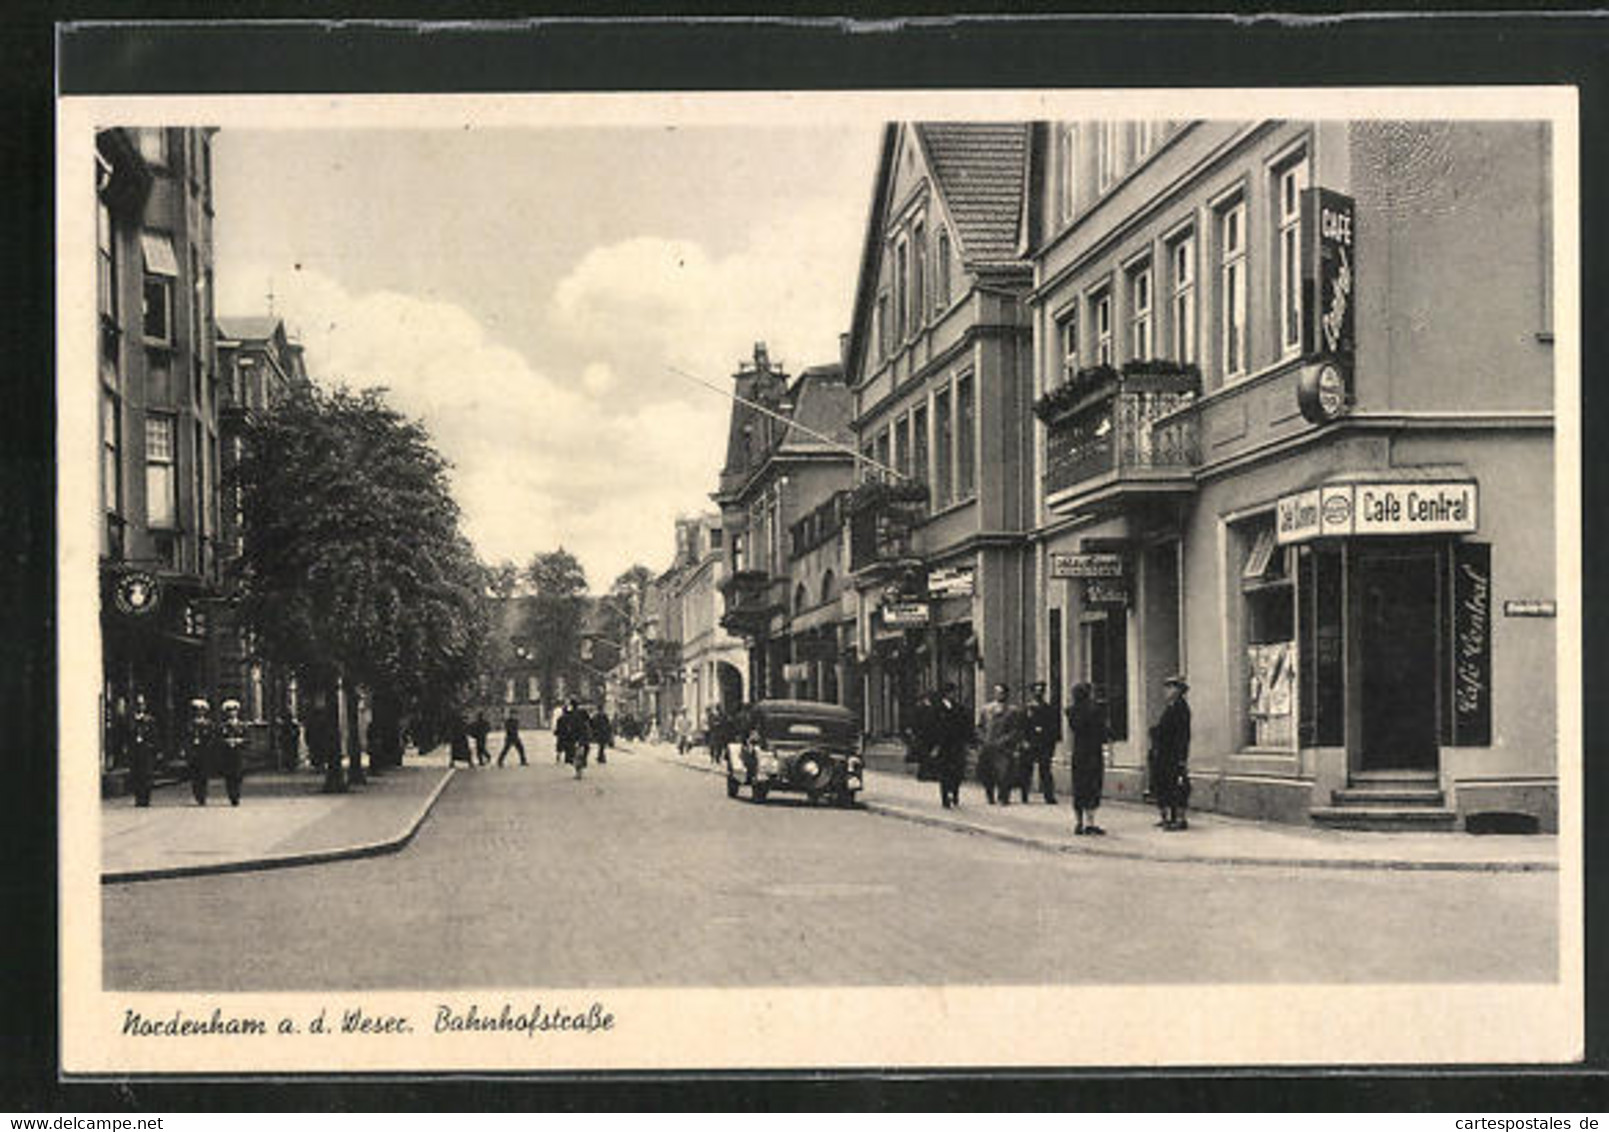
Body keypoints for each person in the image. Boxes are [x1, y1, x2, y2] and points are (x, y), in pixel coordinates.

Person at [1151, 675, 1193, 831]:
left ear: (1177, 690)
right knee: (1167, 785)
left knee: (1176, 785)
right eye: (1166, 687)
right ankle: (1170, 817)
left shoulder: (1181, 708)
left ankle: (1179, 819)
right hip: (1165, 753)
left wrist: (1182, 757)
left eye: (1169, 688)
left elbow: (1182, 734)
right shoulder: (1171, 706)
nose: (1165, 691)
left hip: (1173, 753)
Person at [1066, 682, 1109, 835]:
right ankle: (1090, 822)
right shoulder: (1095, 710)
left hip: (1078, 752)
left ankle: (1079, 822)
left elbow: (1075, 727)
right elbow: (1103, 732)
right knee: (1092, 786)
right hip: (1093, 752)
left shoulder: (1070, 711)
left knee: (1078, 786)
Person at [976, 682, 1022, 806]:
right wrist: (983, 738)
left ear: (1006, 694)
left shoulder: (1013, 710)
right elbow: (980, 727)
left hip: (1004, 747)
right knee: (987, 772)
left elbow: (1015, 730)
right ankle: (989, 795)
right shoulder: (986, 709)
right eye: (996, 692)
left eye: (1001, 692)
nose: (998, 695)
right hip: (988, 745)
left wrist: (1005, 740)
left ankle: (1003, 796)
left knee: (1004, 773)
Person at [932, 683, 972, 809]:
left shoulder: (959, 708)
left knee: (957, 771)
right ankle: (945, 797)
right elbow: (932, 728)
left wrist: (967, 742)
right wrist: (935, 745)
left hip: (957, 745)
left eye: (954, 692)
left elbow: (965, 725)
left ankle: (955, 793)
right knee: (944, 772)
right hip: (944, 745)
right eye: (951, 692)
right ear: (946, 694)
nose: (953, 695)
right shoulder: (937, 709)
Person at [1021, 681, 1062, 804]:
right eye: (1036, 691)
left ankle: (1049, 796)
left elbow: (1053, 727)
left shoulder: (1048, 709)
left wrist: (1051, 743)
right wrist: (1024, 741)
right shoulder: (1026, 709)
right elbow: (1022, 726)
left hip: (1044, 744)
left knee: (1045, 770)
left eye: (1041, 691)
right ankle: (1024, 794)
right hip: (1030, 742)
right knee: (1026, 770)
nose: (1039, 693)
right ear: (1032, 692)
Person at [127, 693, 159, 807]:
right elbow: (128, 735)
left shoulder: (150, 720)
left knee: (147, 775)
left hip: (146, 751)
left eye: (142, 704)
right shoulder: (132, 720)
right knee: (136, 775)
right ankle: (138, 798)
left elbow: (154, 736)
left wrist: (153, 748)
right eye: (138, 704)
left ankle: (146, 798)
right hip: (136, 751)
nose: (140, 706)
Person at [216, 698, 248, 806]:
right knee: (229, 776)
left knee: (238, 775)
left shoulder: (242, 725)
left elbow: (248, 739)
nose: (232, 713)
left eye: (234, 711)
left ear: (237, 712)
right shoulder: (223, 726)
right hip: (227, 755)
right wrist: (226, 742)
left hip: (238, 754)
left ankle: (237, 794)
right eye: (229, 711)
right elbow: (218, 740)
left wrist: (240, 741)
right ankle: (232, 795)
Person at [184, 698, 213, 806]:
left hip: (204, 752)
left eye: (202, 710)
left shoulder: (208, 724)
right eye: (197, 710)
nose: (199, 712)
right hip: (194, 752)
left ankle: (203, 795)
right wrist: (187, 750)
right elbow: (187, 738)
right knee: (195, 775)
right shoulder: (190, 724)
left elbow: (211, 738)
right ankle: (197, 793)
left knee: (203, 774)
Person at [556, 698, 592, 778]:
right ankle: (581, 767)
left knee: (575, 754)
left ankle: (578, 770)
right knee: (582, 752)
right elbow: (589, 721)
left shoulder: (570, 714)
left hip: (575, 736)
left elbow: (567, 725)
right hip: (583, 735)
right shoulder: (583, 712)